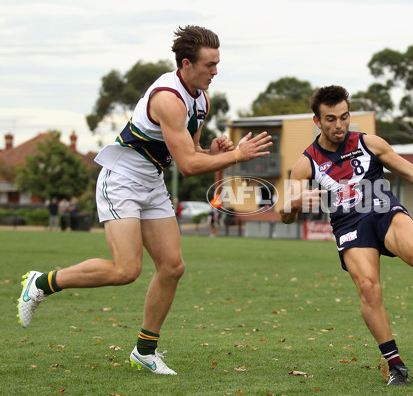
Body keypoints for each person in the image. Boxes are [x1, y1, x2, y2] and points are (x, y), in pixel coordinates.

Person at [18, 25, 272, 375]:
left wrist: (212, 150)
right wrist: (236, 156)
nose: (215, 71)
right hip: (121, 179)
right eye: (209, 64)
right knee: (126, 270)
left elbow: (191, 155)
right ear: (186, 64)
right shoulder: (168, 98)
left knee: (172, 266)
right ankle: (41, 283)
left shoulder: (201, 98)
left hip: (151, 181)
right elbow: (187, 164)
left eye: (218, 63)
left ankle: (145, 350)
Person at [279, 85, 413, 387]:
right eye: (330, 119)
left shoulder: (370, 143)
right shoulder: (306, 164)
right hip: (350, 225)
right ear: (317, 121)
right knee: (368, 288)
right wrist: (293, 204)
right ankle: (396, 366)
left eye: (343, 117)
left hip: (383, 211)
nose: (338, 125)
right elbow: (286, 215)